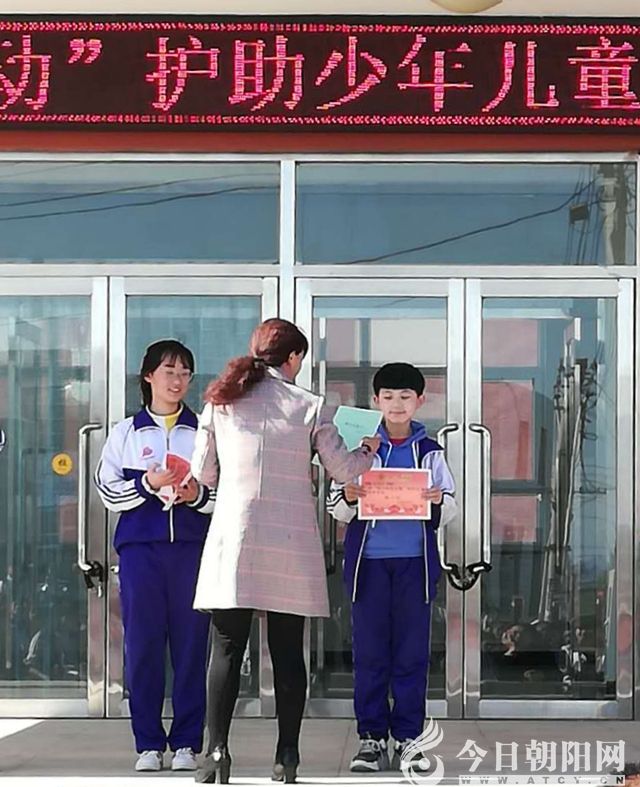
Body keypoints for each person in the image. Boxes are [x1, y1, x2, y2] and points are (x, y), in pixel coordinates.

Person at [190, 318, 380, 785]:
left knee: (225, 649)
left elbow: (204, 474)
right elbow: (343, 470)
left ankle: (216, 754)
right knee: (288, 651)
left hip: (235, 537)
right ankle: (286, 757)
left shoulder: (220, 402)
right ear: (293, 358)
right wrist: (369, 450)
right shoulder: (309, 405)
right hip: (290, 542)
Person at [326, 362, 456, 773]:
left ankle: (408, 739)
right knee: (370, 655)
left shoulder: (430, 451)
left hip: (415, 567)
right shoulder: (358, 448)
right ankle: (371, 739)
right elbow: (336, 509)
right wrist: (349, 496)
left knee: (412, 655)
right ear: (375, 401)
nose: (397, 404)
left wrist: (437, 501)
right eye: (388, 397)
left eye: (405, 397)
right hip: (369, 568)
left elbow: (451, 506)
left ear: (420, 401)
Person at [94, 340, 214, 773]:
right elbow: (108, 491)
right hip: (141, 553)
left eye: (184, 373)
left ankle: (186, 743)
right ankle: (147, 743)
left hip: (191, 552)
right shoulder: (126, 432)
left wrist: (195, 494)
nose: (177, 381)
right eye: (169, 371)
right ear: (148, 376)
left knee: (191, 647)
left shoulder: (204, 432)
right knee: (142, 647)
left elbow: (225, 494)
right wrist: (147, 484)